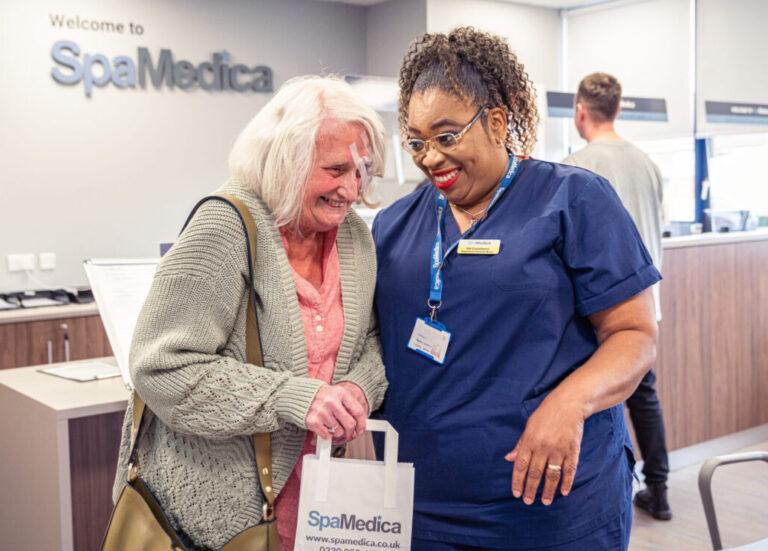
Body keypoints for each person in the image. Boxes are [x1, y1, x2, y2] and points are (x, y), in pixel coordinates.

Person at [372, 28, 660, 550]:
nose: (430, 157)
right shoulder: (393, 226)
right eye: (416, 141)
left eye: (447, 136)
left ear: (498, 122)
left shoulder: (573, 199)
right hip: (423, 509)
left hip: (550, 508)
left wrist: (568, 404)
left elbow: (635, 333)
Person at [111, 75, 389, 551]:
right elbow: (159, 365)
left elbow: (372, 339)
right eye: (336, 169)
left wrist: (356, 388)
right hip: (214, 520)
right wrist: (294, 397)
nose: (351, 188)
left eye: (362, 170)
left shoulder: (353, 237)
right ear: (287, 162)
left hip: (315, 506)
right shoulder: (225, 225)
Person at [562, 72, 671, 521]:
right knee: (643, 395)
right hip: (645, 307)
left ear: (580, 111)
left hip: (596, 309)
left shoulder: (575, 164)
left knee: (591, 400)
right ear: (618, 109)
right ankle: (659, 489)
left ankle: (599, 494)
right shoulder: (647, 162)